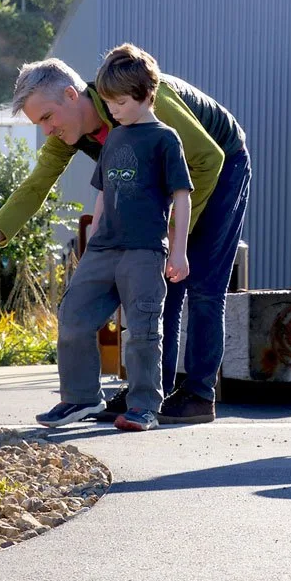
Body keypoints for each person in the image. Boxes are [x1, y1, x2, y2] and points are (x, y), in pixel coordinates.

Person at [0, 54, 251, 425]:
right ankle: (152, 391)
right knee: (161, 288)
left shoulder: (142, 101)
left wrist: (176, 235)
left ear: (72, 96)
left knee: (202, 283)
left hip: (220, 166)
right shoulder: (69, 136)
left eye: (47, 117)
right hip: (172, 182)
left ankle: (199, 394)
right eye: (38, 123)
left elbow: (208, 159)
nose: (46, 130)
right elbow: (36, 185)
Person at [35, 44, 192, 433]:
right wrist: (91, 243)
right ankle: (80, 398)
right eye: (108, 102)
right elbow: (103, 193)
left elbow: (182, 197)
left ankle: (143, 406)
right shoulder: (115, 139)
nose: (114, 109)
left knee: (141, 331)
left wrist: (179, 252)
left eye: (120, 102)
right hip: (104, 249)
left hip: (143, 251)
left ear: (145, 95)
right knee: (72, 318)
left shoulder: (165, 139)